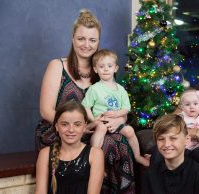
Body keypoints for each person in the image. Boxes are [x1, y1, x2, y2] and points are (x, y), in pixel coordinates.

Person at [35, 9, 136, 193]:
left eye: (92, 40)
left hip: (95, 131)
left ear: (98, 42)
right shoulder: (57, 66)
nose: (86, 45)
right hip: (60, 130)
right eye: (81, 39)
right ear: (73, 39)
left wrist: (116, 121)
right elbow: (46, 110)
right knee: (107, 143)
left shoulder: (102, 70)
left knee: (118, 141)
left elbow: (117, 107)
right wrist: (80, 127)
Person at [82, 49, 150, 166]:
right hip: (101, 121)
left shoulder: (121, 89)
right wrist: (94, 120)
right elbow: (86, 106)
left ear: (115, 68)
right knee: (102, 129)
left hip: (116, 121)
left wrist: (116, 114)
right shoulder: (94, 88)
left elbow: (126, 108)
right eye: (102, 66)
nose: (106, 69)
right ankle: (93, 159)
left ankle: (138, 156)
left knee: (129, 130)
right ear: (95, 69)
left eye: (109, 66)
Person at [35, 101, 104, 194]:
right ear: (57, 126)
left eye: (77, 124)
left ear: (84, 127)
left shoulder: (95, 154)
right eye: (65, 124)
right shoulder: (45, 154)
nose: (71, 130)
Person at [142, 114, 199, 194]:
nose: (166, 144)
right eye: (161, 139)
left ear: (187, 140)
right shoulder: (150, 174)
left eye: (173, 138)